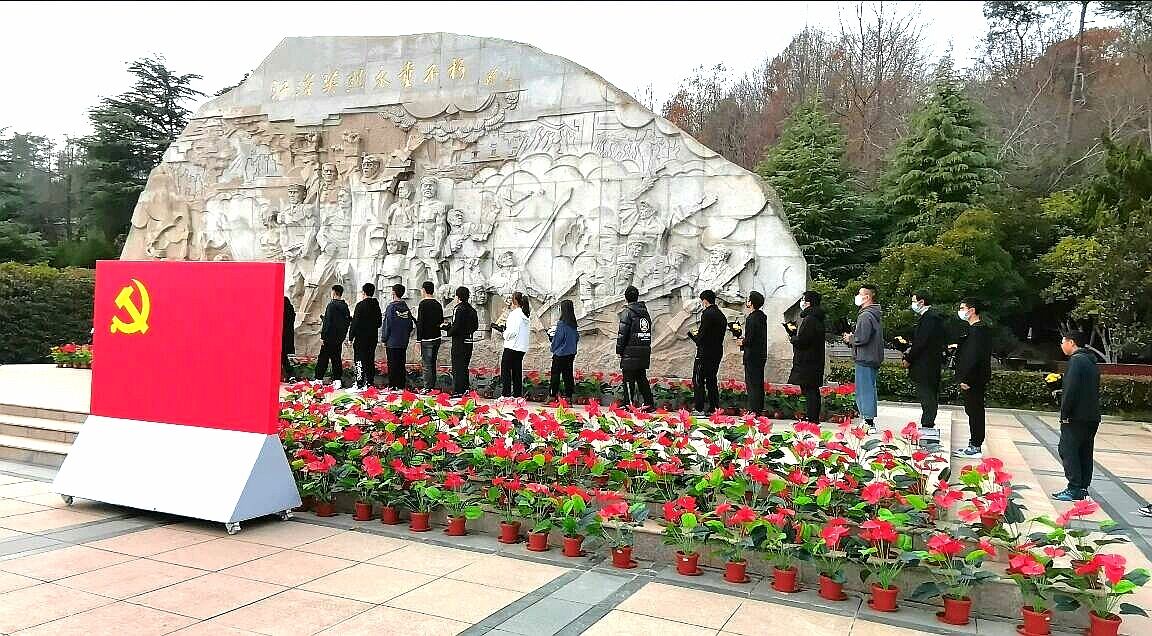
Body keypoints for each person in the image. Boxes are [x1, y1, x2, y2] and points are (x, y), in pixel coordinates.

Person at [1053, 331, 1101, 501]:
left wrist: (1065, 413)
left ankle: (1074, 488)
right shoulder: (1090, 360)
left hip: (1076, 416)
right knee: (1084, 452)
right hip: (1091, 416)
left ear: (1071, 342)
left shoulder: (1076, 361)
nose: (1061, 345)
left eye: (1063, 342)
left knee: (1068, 450)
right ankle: (1082, 488)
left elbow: (1071, 390)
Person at [904, 291, 948, 443]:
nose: (913, 304)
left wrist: (909, 358)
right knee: (928, 395)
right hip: (930, 363)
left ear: (921, 302)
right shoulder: (931, 318)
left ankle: (928, 425)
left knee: (927, 395)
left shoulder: (929, 319)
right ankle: (928, 423)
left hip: (925, 364)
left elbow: (921, 342)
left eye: (914, 300)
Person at [953, 298, 992, 459]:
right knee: (972, 411)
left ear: (972, 310)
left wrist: (967, 379)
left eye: (963, 308)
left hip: (974, 380)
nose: (961, 311)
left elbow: (975, 358)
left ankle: (975, 446)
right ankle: (974, 444)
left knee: (975, 412)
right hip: (974, 378)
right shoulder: (976, 330)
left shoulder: (978, 331)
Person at [843, 284, 883, 433]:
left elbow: (862, 337)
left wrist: (850, 338)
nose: (857, 296)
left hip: (865, 357)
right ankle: (867, 420)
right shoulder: (874, 314)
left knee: (864, 390)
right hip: (871, 357)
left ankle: (868, 421)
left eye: (860, 294)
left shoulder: (866, 315)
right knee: (869, 388)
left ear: (867, 297)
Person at [788, 291, 827, 423]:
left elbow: (803, 341)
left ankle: (812, 419)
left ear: (809, 302)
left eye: (803, 300)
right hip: (814, 360)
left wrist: (793, 338)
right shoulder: (817, 318)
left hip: (807, 361)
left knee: (810, 391)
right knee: (812, 390)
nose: (802, 303)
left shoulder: (809, 319)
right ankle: (812, 417)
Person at [688, 289, 726, 414]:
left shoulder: (707, 314)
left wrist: (693, 335)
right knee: (711, 379)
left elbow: (702, 337)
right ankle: (714, 407)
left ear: (705, 301)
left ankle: (699, 407)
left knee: (698, 379)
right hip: (717, 351)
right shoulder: (721, 315)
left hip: (705, 352)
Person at [617, 285, 655, 408]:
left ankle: (628, 404)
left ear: (626, 298)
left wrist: (619, 350)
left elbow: (622, 334)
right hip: (643, 351)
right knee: (642, 378)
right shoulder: (645, 313)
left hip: (630, 352)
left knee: (628, 379)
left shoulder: (627, 312)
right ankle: (649, 404)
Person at [445, 286, 479, 396]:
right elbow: (475, 326)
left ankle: (458, 390)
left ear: (458, 297)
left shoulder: (458, 309)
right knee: (464, 366)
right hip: (469, 340)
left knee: (457, 366)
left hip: (459, 341)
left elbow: (456, 326)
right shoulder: (472, 310)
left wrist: (448, 330)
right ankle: (465, 388)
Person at [347, 283, 382, 391]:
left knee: (359, 360)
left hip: (361, 338)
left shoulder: (360, 305)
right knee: (370, 359)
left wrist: (351, 337)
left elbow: (355, 322)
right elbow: (379, 323)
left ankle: (359, 383)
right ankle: (370, 382)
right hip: (372, 338)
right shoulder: (376, 305)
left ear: (364, 292)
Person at [316, 285, 350, 387]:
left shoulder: (331, 305)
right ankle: (337, 380)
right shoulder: (345, 306)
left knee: (323, 358)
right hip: (339, 338)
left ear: (334, 292)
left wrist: (323, 336)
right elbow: (347, 321)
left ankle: (318, 379)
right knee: (336, 359)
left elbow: (328, 322)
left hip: (329, 337)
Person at [739, 291, 768, 414]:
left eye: (748, 300)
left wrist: (742, 342)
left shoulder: (751, 318)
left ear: (751, 303)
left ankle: (753, 410)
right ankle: (758, 409)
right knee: (758, 383)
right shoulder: (762, 317)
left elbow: (750, 339)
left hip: (751, 355)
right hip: (760, 354)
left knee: (751, 384)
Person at [380, 284, 413, 389]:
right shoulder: (406, 308)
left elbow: (387, 324)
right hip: (403, 341)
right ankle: (401, 385)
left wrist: (384, 338)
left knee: (392, 364)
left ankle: (393, 385)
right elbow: (410, 325)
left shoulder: (391, 307)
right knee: (401, 363)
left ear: (393, 292)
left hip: (392, 341)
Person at [499, 292, 531, 398]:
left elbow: (512, 332)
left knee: (506, 370)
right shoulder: (525, 314)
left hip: (512, 346)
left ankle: (506, 394)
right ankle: (517, 395)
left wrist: (504, 333)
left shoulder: (515, 314)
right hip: (521, 347)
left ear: (515, 301)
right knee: (517, 371)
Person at [416, 281, 444, 392]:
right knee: (432, 363)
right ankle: (432, 386)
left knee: (426, 364)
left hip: (426, 338)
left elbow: (420, 323)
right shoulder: (438, 304)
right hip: (437, 337)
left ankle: (427, 387)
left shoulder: (423, 304)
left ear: (424, 290)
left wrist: (418, 340)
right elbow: (441, 320)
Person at [549, 299, 579, 400]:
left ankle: (552, 396)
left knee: (555, 375)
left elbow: (558, 339)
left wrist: (553, 348)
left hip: (560, 353)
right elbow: (576, 338)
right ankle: (569, 397)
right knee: (568, 375)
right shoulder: (574, 325)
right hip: (571, 353)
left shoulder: (561, 324)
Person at [282, 296, 296, 382]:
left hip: (282, 336)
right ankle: (291, 375)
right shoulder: (291, 311)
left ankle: (289, 375)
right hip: (288, 336)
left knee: (283, 356)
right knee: (286, 357)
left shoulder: (282, 310)